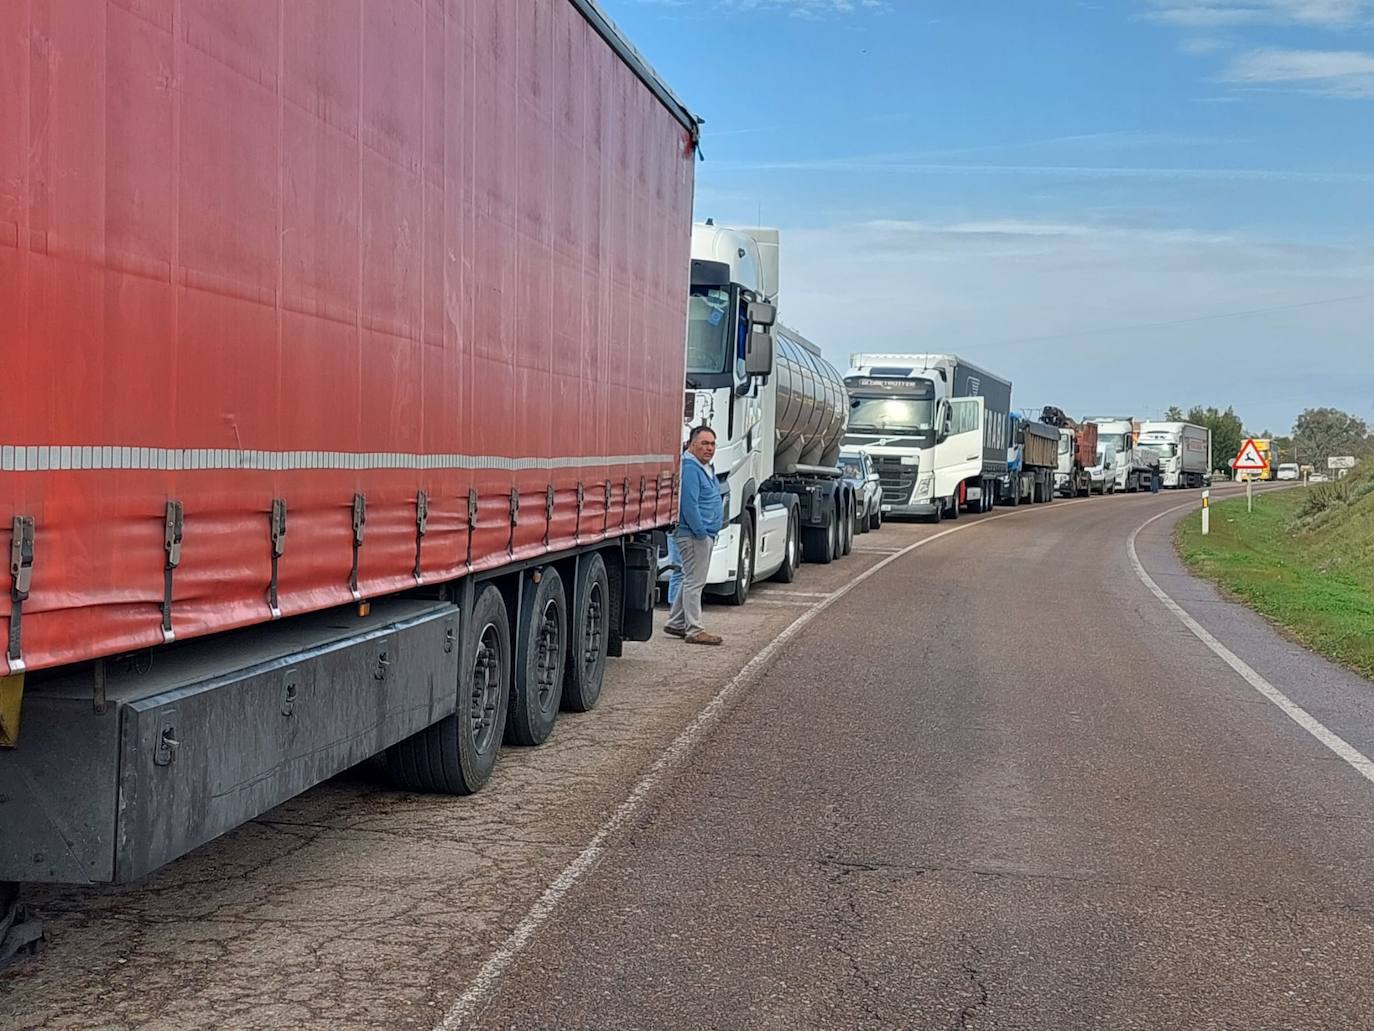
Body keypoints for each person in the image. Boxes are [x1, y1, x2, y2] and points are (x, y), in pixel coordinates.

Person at [664, 425, 723, 645]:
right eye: (704, 444)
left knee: (690, 579)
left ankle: (676, 622)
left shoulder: (704, 467)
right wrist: (701, 532)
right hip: (694, 534)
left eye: (712, 444)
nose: (709, 448)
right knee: (695, 582)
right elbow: (688, 505)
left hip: (703, 532)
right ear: (691, 444)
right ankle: (695, 629)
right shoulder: (690, 468)